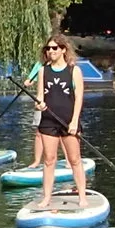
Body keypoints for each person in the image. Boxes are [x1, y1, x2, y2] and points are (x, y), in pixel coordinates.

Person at [32, 35, 88, 207]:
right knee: (49, 160)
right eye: (48, 49)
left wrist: (74, 122)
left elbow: (79, 98)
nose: (51, 51)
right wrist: (38, 105)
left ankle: (82, 197)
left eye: (55, 48)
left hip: (68, 121)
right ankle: (46, 197)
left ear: (63, 50)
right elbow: (40, 97)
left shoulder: (74, 71)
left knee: (74, 160)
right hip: (48, 121)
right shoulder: (43, 71)